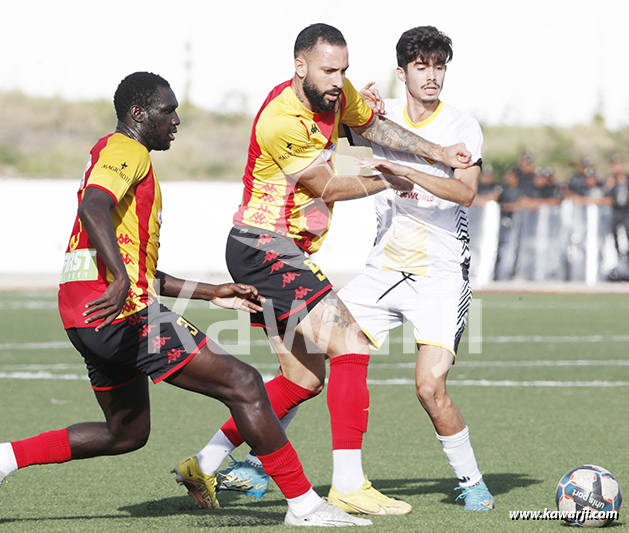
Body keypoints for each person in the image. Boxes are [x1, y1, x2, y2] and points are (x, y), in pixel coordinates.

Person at [0, 72, 372, 527]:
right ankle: (305, 506)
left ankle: (4, 459)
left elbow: (137, 266)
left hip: (86, 317)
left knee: (126, 433)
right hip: (123, 315)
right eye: (167, 111)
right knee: (246, 385)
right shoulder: (126, 150)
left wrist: (210, 291)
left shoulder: (112, 154)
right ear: (138, 115)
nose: (176, 120)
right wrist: (119, 277)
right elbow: (92, 206)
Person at [173, 23, 472, 516]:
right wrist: (389, 178)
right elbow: (326, 186)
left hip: (279, 251)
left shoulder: (335, 93)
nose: (338, 80)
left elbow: (373, 126)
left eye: (344, 70)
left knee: (302, 380)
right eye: (329, 70)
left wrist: (435, 151)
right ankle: (349, 483)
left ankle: (204, 462)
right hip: (263, 247)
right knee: (351, 345)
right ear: (300, 66)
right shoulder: (280, 118)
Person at [340, 25, 495, 511]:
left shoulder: (462, 127)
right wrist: (356, 101)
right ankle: (256, 464)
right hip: (383, 267)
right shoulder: (380, 115)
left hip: (442, 275)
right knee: (308, 354)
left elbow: (465, 192)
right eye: (421, 66)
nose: (431, 76)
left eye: (439, 66)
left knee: (429, 387)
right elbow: (333, 117)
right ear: (402, 71)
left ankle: (472, 484)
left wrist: (407, 170)